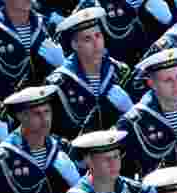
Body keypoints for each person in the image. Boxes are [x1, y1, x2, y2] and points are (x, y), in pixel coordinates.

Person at [0, 85, 80, 193]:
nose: (45, 119)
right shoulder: (2, 158)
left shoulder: (61, 147)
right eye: (37, 114)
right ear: (21, 117)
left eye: (47, 112)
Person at [116, 48, 177, 178]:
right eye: (168, 80)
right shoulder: (133, 122)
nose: (176, 84)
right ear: (152, 83)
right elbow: (120, 170)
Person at [45, 8, 133, 140]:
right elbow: (46, 131)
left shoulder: (119, 71)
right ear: (74, 45)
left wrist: (130, 110)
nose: (96, 43)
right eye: (87, 39)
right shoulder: (59, 84)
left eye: (98, 35)